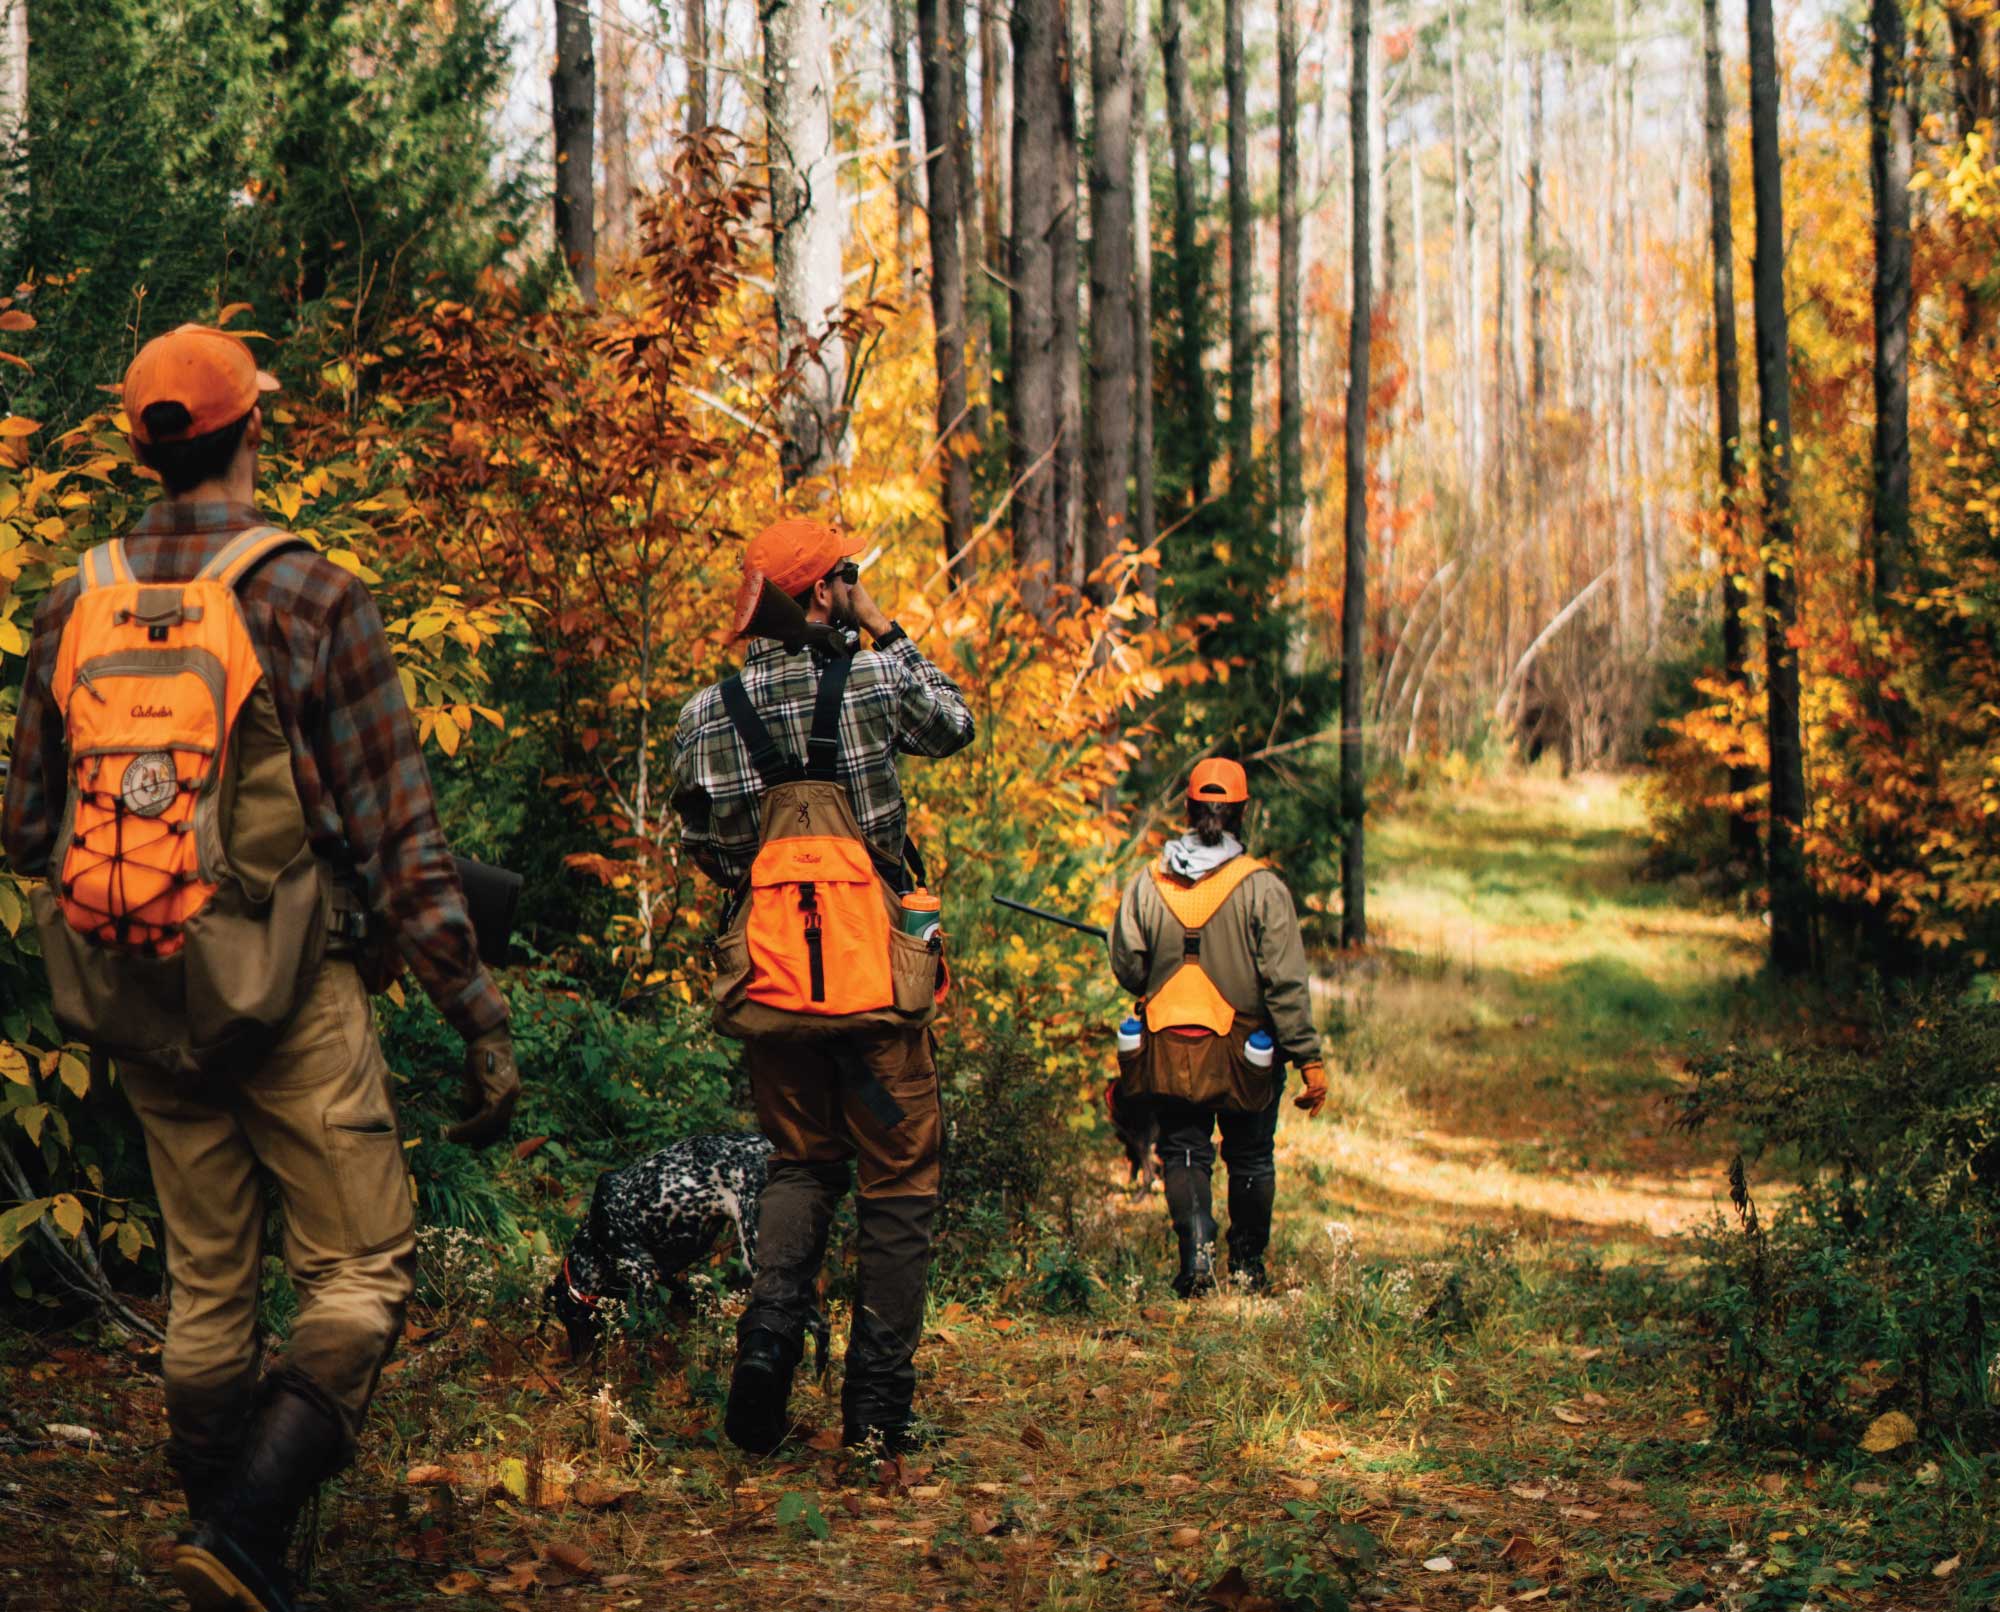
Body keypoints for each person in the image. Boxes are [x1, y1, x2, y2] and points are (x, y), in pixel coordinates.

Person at [1, 324, 518, 1612]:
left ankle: (228, 1543)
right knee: (356, 1270)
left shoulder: (74, 595)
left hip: (131, 980)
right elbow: (398, 838)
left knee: (205, 1279)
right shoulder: (305, 593)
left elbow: (22, 826)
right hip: (291, 991)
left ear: (140, 444)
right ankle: (243, 1529)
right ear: (251, 428)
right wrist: (476, 1014)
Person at [671, 517, 973, 1455]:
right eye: (847, 575)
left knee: (802, 1164)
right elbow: (956, 723)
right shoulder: (880, 679)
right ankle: (877, 1412)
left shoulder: (706, 713)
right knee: (898, 1181)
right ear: (824, 592)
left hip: (774, 986)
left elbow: (710, 853)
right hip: (879, 979)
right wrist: (883, 624)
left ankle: (766, 1347)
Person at [1109, 758, 1327, 1296]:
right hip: (1244, 1053)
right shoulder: (1263, 888)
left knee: (1183, 1149)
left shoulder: (1146, 882)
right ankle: (1248, 1269)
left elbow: (1129, 970)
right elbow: (1285, 984)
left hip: (1167, 1047)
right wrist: (1308, 1058)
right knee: (1250, 1153)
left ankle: (1197, 1254)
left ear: (1188, 810)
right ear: (1241, 813)